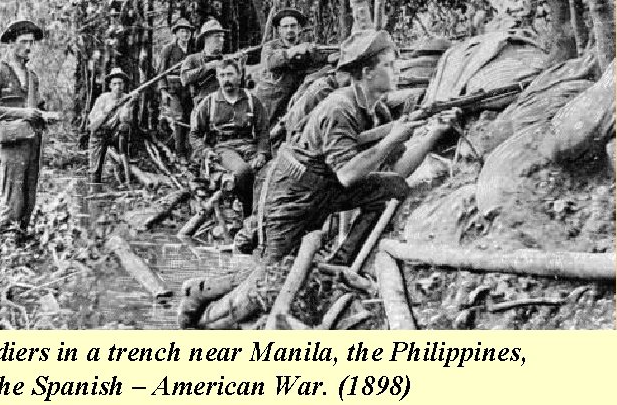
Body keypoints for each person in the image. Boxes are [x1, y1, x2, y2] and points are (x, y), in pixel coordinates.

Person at [178, 29, 456, 328]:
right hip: (290, 195)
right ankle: (204, 310)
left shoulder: (373, 110)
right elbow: (349, 174)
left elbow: (396, 171)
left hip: (324, 188)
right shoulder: (339, 107)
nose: (396, 71)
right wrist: (391, 139)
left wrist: (433, 133)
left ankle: (339, 263)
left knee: (390, 187)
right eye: (388, 65)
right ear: (366, 72)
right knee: (270, 278)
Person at [0, 20, 47, 243]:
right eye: (24, 42)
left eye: (31, 42)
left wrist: (42, 115)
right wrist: (23, 113)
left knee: (29, 200)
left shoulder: (32, 77)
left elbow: (36, 108)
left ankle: (21, 245)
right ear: (11, 43)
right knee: (12, 201)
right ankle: (2, 248)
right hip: (10, 145)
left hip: (32, 142)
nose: (29, 47)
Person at [189, 58, 269, 216]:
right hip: (224, 148)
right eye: (223, 75)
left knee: (268, 174)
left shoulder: (252, 101)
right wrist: (205, 152)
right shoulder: (209, 103)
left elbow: (263, 131)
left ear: (239, 76)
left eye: (230, 74)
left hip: (248, 146)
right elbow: (194, 134)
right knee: (243, 171)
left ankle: (261, 215)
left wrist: (262, 153)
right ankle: (247, 215)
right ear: (218, 78)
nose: (227, 79)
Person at [254, 8, 325, 127]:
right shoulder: (270, 47)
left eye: (293, 26)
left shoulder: (306, 48)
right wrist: (292, 52)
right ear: (279, 30)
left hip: (293, 104)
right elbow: (271, 63)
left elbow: (320, 61)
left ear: (299, 29)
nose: (289, 30)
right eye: (285, 27)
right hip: (270, 104)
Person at [87, 67, 133, 184]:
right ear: (110, 86)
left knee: (124, 129)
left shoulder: (127, 98)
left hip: (115, 133)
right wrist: (106, 112)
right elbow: (92, 125)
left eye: (120, 84)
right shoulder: (102, 99)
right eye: (115, 84)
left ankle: (123, 179)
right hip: (99, 133)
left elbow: (125, 119)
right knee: (95, 169)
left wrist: (128, 105)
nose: (118, 87)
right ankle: (94, 188)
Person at [158, 18, 193, 161]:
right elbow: (161, 72)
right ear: (177, 34)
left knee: (191, 119)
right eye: (182, 31)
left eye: (187, 31)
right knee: (179, 119)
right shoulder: (169, 49)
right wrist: (163, 90)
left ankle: (187, 149)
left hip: (189, 90)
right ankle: (180, 154)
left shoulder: (193, 49)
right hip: (173, 90)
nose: (185, 34)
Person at [180, 19, 229, 107]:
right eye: (217, 36)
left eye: (223, 37)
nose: (221, 40)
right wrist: (208, 67)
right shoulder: (193, 59)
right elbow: (184, 78)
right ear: (206, 38)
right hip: (203, 106)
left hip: (225, 105)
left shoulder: (227, 60)